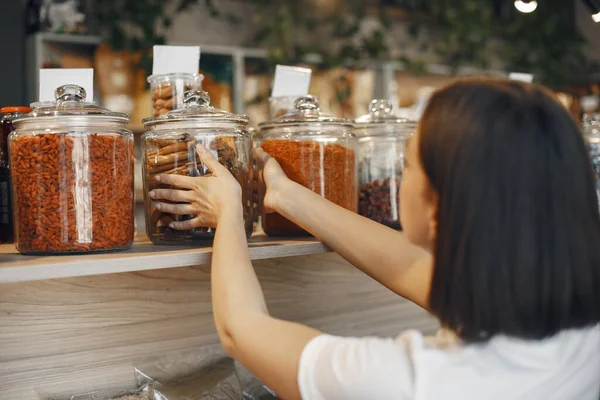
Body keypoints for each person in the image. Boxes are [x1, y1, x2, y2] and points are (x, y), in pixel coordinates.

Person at [149, 78, 600, 400]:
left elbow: (241, 331)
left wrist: (230, 211)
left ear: (439, 206)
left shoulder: (409, 382)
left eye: (405, 164)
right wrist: (286, 197)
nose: (392, 177)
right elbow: (407, 265)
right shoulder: (580, 331)